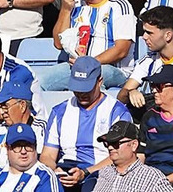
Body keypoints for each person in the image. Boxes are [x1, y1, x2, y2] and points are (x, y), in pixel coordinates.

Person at [36, 0, 133, 92]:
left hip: (111, 68)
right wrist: (65, 10)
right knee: (38, 82)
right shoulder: (74, 5)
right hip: (76, 67)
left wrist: (89, 65)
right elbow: (58, 43)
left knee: (91, 80)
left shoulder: (120, 5)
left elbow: (121, 50)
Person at [39, 57, 133, 192]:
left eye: (86, 88)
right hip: (66, 168)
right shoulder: (59, 111)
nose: (81, 93)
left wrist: (85, 172)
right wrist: (54, 170)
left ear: (99, 82)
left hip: (99, 170)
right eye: (77, 88)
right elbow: (47, 155)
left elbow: (120, 155)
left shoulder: (116, 112)